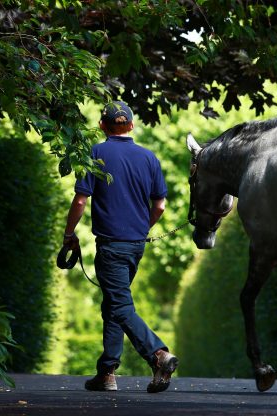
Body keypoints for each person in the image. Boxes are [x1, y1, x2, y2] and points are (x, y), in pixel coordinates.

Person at [62, 100, 178, 393]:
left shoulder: (96, 153)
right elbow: (160, 206)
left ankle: (158, 354)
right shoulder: (149, 158)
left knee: (120, 305)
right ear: (132, 125)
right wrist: (141, 229)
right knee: (113, 303)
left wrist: (69, 233)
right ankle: (107, 373)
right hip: (136, 246)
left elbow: (79, 200)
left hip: (111, 245)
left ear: (102, 125)